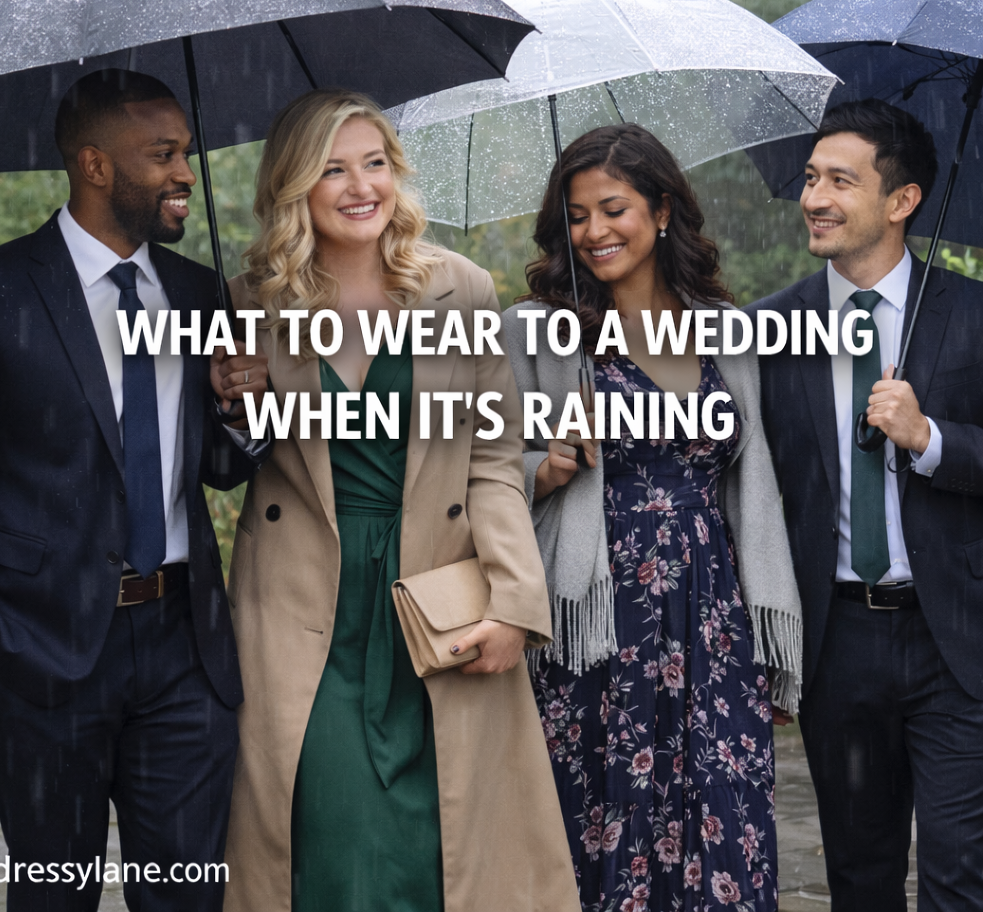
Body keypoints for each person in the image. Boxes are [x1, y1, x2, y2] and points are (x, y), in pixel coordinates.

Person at [221, 88, 579, 912]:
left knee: (438, 846)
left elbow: (493, 458)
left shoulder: (460, 288)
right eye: (332, 169)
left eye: (375, 164)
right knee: (328, 840)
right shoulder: (249, 302)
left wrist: (517, 602)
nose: (361, 187)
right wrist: (232, 395)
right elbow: (221, 461)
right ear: (293, 187)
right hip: (303, 605)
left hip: (433, 597)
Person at [0, 68, 270, 911]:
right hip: (40, 649)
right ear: (95, 166)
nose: (184, 173)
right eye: (163, 154)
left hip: (183, 652)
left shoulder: (201, 292)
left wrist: (244, 410)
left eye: (186, 152)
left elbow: (220, 467)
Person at [503, 123, 803, 912]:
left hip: (713, 618)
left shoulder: (724, 329)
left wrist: (770, 629)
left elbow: (753, 483)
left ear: (662, 209)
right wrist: (545, 464)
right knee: (600, 828)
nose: (593, 231)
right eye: (575, 215)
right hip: (598, 619)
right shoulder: (536, 332)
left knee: (727, 821)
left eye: (613, 208)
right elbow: (473, 469)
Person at [752, 99, 983, 912]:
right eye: (811, 178)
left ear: (901, 201)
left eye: (840, 181)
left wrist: (930, 438)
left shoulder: (973, 316)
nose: (815, 196)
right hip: (837, 640)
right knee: (859, 875)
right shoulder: (767, 331)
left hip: (957, 640)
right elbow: (745, 483)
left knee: (962, 876)